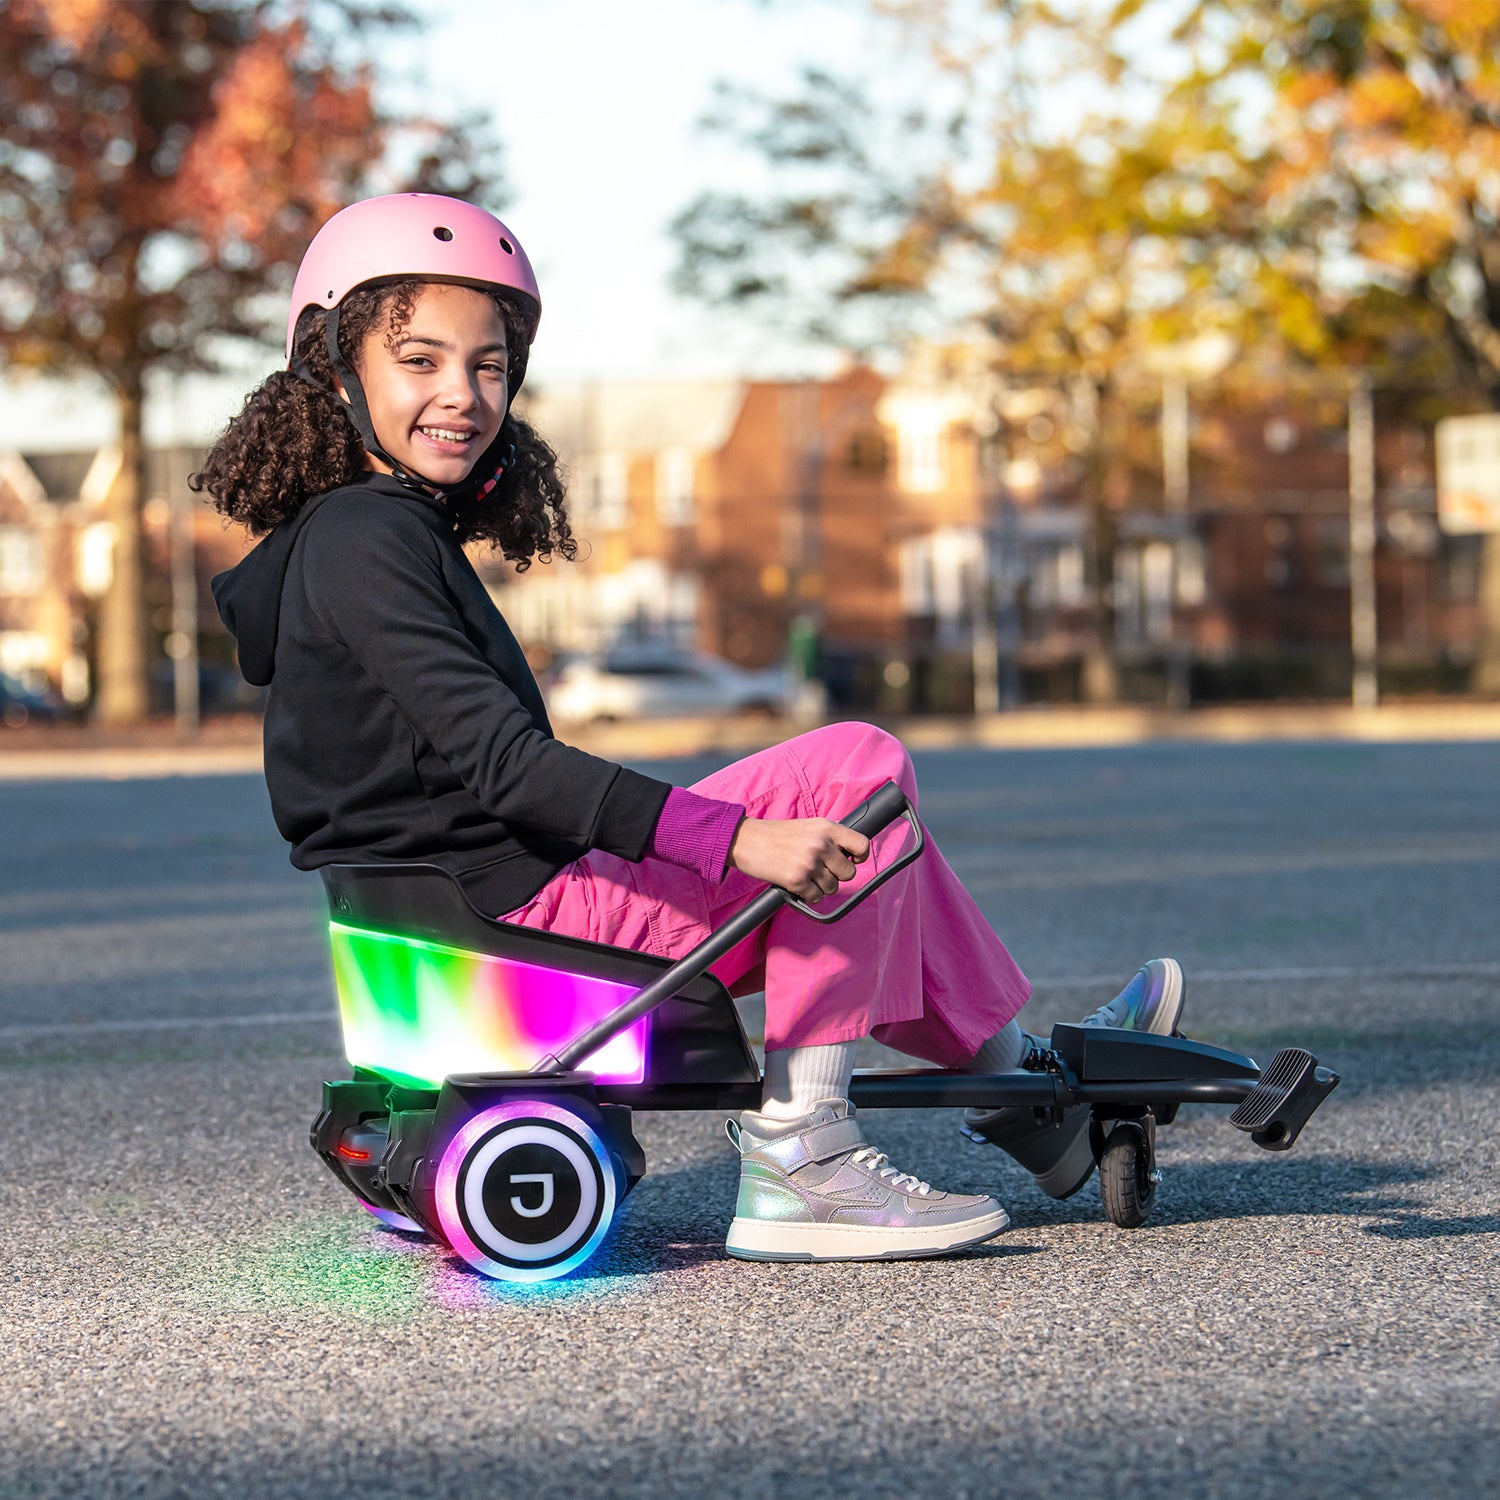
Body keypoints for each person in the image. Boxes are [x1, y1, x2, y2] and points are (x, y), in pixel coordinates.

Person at [198, 193, 1185, 1265]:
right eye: (421, 361)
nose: (464, 395)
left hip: (465, 897)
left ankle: (1032, 1096)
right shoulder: (369, 538)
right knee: (857, 770)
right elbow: (503, 766)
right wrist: (730, 839)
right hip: (515, 905)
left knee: (860, 813)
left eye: (489, 366)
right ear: (331, 365)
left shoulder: (345, 536)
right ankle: (806, 1153)